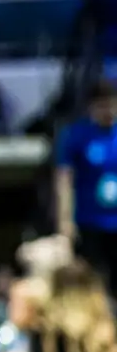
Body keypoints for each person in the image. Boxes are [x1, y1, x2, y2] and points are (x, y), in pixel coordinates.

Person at [54, 81, 117, 280]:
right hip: (89, 221)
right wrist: (65, 221)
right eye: (102, 106)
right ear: (92, 107)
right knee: (93, 278)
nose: (108, 111)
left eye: (112, 105)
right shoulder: (77, 135)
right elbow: (64, 179)